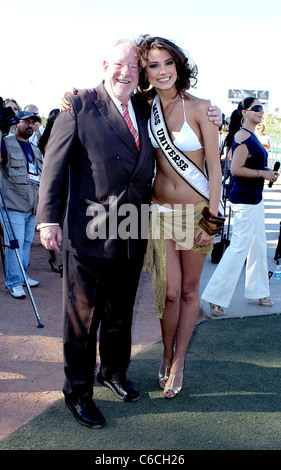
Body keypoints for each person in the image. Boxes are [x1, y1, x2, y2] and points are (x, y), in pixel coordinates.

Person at [37, 38, 222, 428]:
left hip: (136, 227)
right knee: (83, 320)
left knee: (120, 313)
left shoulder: (142, 106)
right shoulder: (80, 104)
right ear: (106, 65)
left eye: (135, 68)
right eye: (122, 65)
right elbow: (53, 167)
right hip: (90, 232)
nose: (127, 73)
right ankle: (79, 393)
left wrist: (216, 113)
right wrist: (47, 219)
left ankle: (114, 372)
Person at [136, 35, 224, 399]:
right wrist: (71, 94)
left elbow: (216, 172)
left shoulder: (203, 107)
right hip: (159, 214)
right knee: (168, 293)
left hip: (197, 214)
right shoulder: (143, 107)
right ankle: (166, 350)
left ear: (179, 65)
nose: (162, 71)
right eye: (153, 65)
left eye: (167, 62)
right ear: (145, 71)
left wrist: (212, 221)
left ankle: (178, 360)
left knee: (189, 292)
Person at [201, 97, 279, 316]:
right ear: (244, 112)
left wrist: (266, 173)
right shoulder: (243, 136)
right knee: (238, 248)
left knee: (258, 245)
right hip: (245, 200)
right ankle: (214, 297)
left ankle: (259, 291)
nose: (261, 112)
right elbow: (235, 169)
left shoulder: (251, 135)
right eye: (256, 109)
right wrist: (263, 173)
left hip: (255, 197)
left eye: (262, 109)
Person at [0, 111, 43, 298]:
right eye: (26, 121)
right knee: (15, 245)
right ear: (17, 123)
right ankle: (14, 282)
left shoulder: (35, 149)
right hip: (13, 205)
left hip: (31, 206)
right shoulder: (6, 143)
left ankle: (23, 275)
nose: (30, 125)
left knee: (26, 244)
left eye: (33, 122)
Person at [38, 108, 63, 276]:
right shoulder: (47, 142)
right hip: (53, 185)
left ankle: (62, 258)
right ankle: (55, 259)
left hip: (68, 185)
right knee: (53, 220)